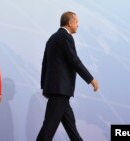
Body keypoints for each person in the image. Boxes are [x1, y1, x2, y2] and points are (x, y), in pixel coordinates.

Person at [36, 11, 99, 141]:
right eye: (76, 22)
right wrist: (90, 79)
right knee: (48, 129)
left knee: (72, 129)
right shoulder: (65, 37)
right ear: (70, 23)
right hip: (60, 90)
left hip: (58, 90)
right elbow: (74, 61)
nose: (78, 25)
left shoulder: (52, 38)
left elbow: (45, 64)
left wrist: (44, 86)